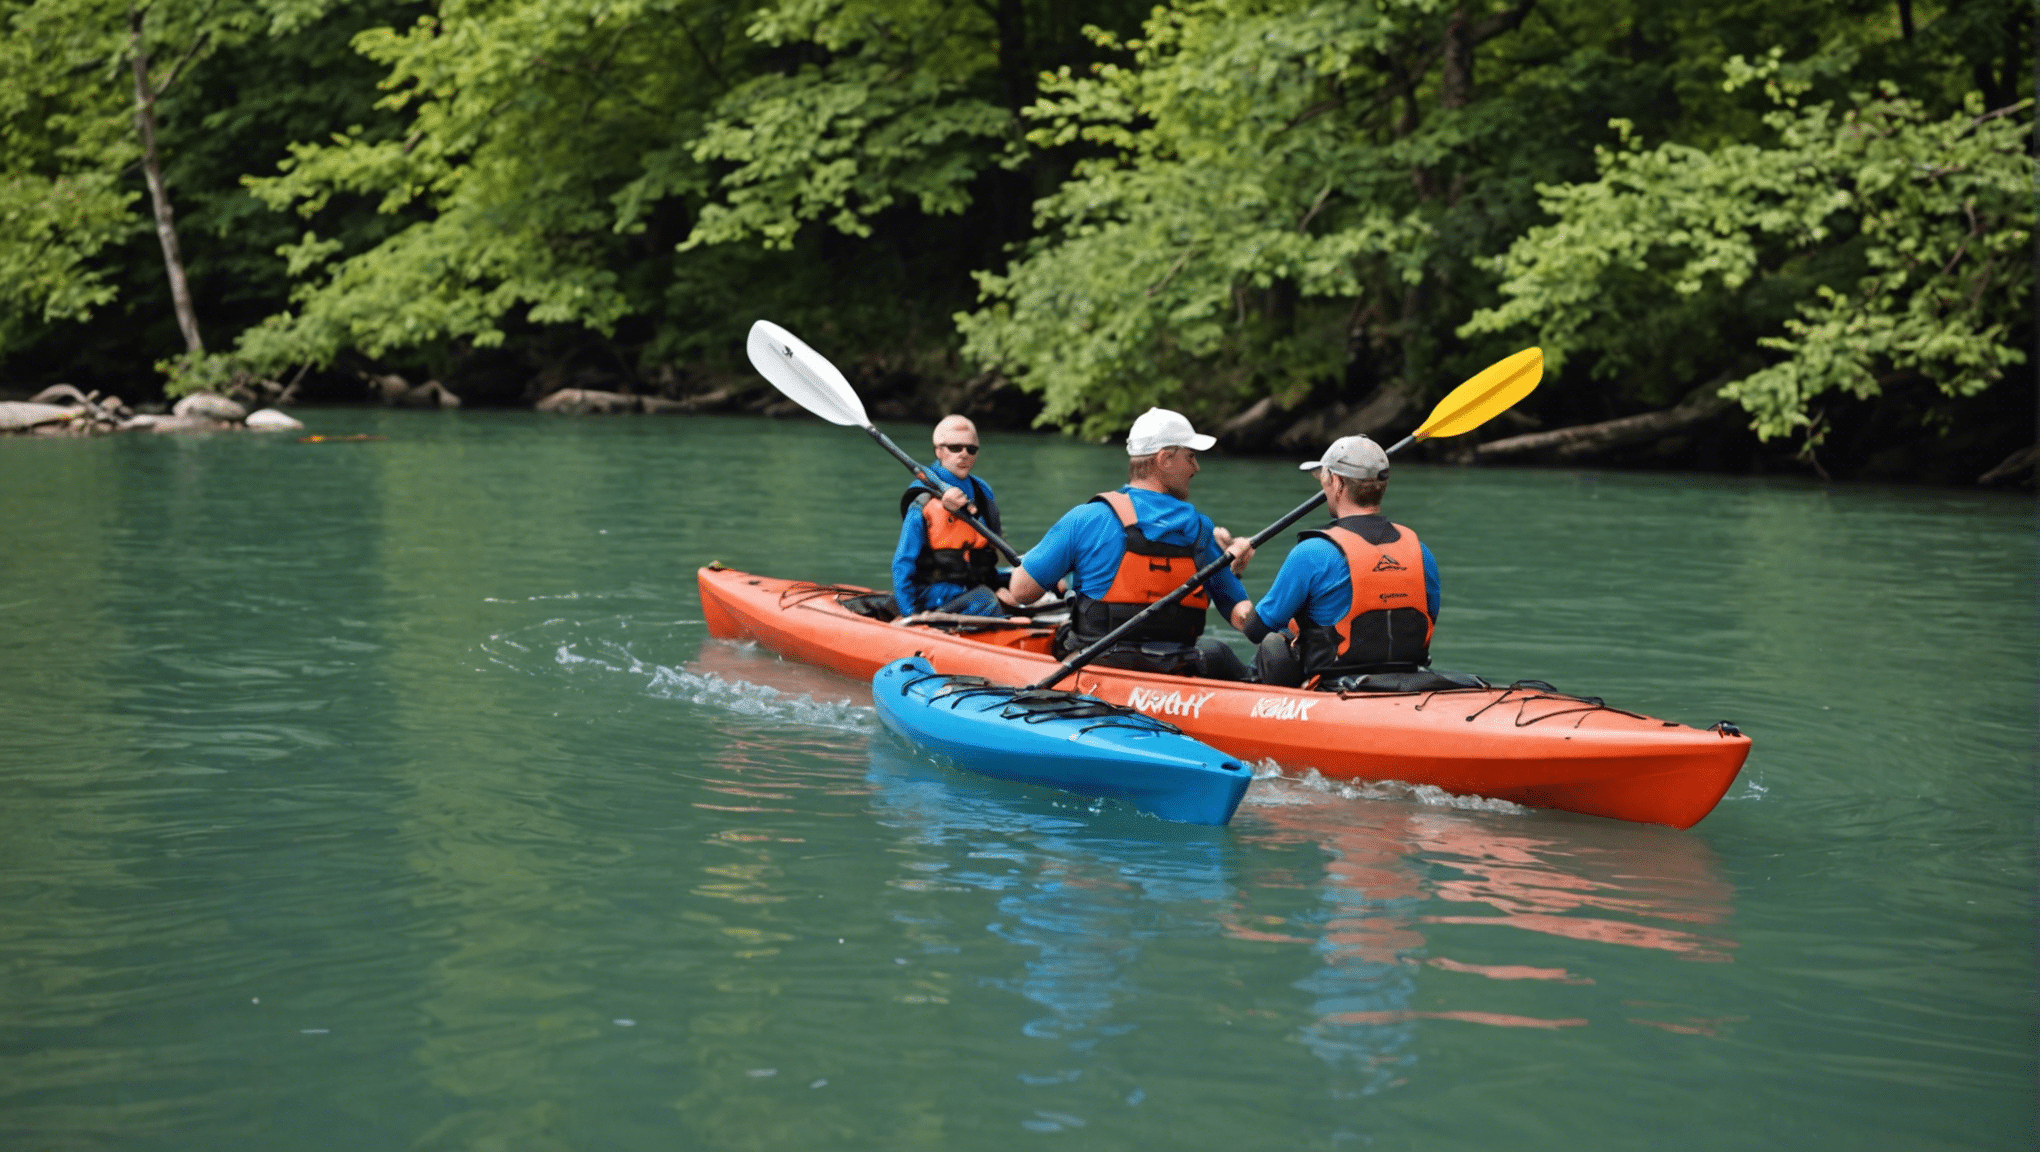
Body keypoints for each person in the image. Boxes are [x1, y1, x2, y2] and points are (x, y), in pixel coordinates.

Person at [1007, 407, 1256, 680]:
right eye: (1191, 457)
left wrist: (1046, 553)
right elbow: (1241, 616)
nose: (1196, 467)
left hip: (1098, 667)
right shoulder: (1200, 529)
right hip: (1174, 669)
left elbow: (1021, 591)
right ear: (1164, 459)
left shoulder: (1087, 518)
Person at [1232, 435, 1441, 689]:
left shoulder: (1312, 552)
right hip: (1410, 681)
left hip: (1335, 687)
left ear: (1338, 483)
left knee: (1271, 646)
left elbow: (1255, 630)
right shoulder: (1420, 551)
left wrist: (1234, 575)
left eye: (1325, 479)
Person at [891, 414, 1016, 617]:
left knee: (1037, 576)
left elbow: (994, 547)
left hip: (975, 582)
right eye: (955, 448)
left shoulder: (983, 491)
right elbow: (902, 563)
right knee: (985, 599)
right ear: (939, 450)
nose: (964, 454)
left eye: (971, 449)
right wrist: (910, 614)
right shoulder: (923, 501)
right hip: (934, 591)